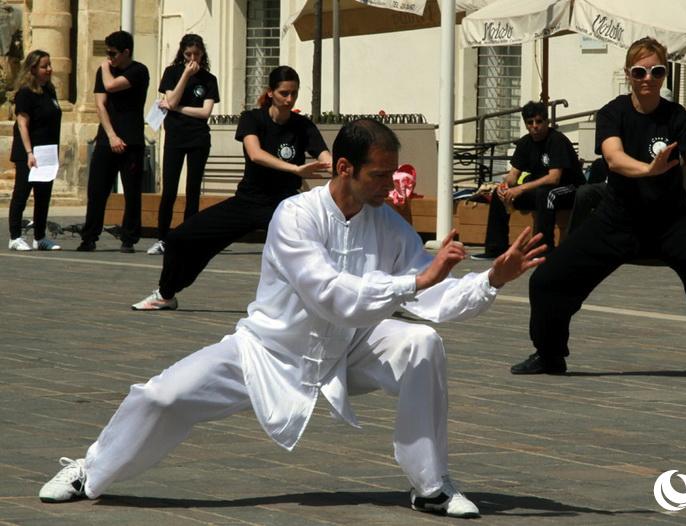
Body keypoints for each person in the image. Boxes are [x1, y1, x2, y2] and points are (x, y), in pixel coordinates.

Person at [38, 119, 547, 518]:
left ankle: (432, 487)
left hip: (350, 348)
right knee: (162, 396)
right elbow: (330, 294)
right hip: (267, 349)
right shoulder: (295, 216)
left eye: (393, 174)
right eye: (379, 175)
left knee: (421, 344)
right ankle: (90, 471)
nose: (390, 186)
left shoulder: (389, 224)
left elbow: (430, 298)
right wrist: (415, 282)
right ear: (343, 167)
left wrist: (491, 280)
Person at [514, 37, 686, 392]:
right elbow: (613, 157)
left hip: (670, 221)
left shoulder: (677, 117)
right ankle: (550, 354)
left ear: (665, 74)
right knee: (547, 279)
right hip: (618, 219)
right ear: (629, 74)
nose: (648, 78)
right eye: (640, 71)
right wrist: (648, 170)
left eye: (656, 71)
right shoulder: (613, 113)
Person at [131, 65, 330, 310]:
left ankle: (329, 301)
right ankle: (165, 294)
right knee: (179, 238)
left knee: (316, 249)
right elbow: (256, 154)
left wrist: (337, 167)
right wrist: (296, 170)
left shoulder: (303, 126)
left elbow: (325, 157)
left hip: (285, 205)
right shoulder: (252, 119)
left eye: (293, 94)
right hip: (248, 202)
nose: (289, 99)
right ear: (270, 93)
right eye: (284, 93)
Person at [471, 101, 582, 260]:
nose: (535, 126)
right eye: (530, 123)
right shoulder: (525, 143)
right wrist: (506, 186)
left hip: (568, 188)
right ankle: (495, 249)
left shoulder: (557, 140)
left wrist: (521, 189)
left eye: (539, 121)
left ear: (546, 122)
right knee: (498, 194)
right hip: (540, 189)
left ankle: (544, 248)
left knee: (547, 194)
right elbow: (513, 175)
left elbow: (554, 178)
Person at [146, 34, 219, 256]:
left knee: (193, 189)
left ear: (202, 54)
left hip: (198, 138)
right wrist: (186, 75)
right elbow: (172, 98)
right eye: (188, 54)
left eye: (197, 54)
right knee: (169, 190)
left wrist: (176, 109)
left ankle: (188, 237)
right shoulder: (172, 73)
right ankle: (163, 238)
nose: (193, 58)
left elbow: (204, 112)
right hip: (175, 137)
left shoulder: (209, 79)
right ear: (182, 53)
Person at [77, 30, 149, 253]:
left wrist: (105, 69)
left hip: (132, 140)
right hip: (108, 138)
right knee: (97, 190)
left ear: (126, 52)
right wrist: (111, 136)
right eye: (107, 52)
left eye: (113, 53)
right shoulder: (106, 70)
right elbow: (100, 104)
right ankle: (89, 237)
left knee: (132, 192)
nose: (109, 57)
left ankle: (129, 238)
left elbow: (111, 86)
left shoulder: (138, 71)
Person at [8, 50, 62, 251]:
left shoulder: (49, 91)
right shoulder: (25, 93)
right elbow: (22, 124)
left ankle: (40, 237)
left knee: (43, 195)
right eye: (44, 66)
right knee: (21, 193)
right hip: (28, 152)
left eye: (49, 65)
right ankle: (14, 236)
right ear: (33, 69)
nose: (49, 69)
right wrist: (30, 153)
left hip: (47, 151)